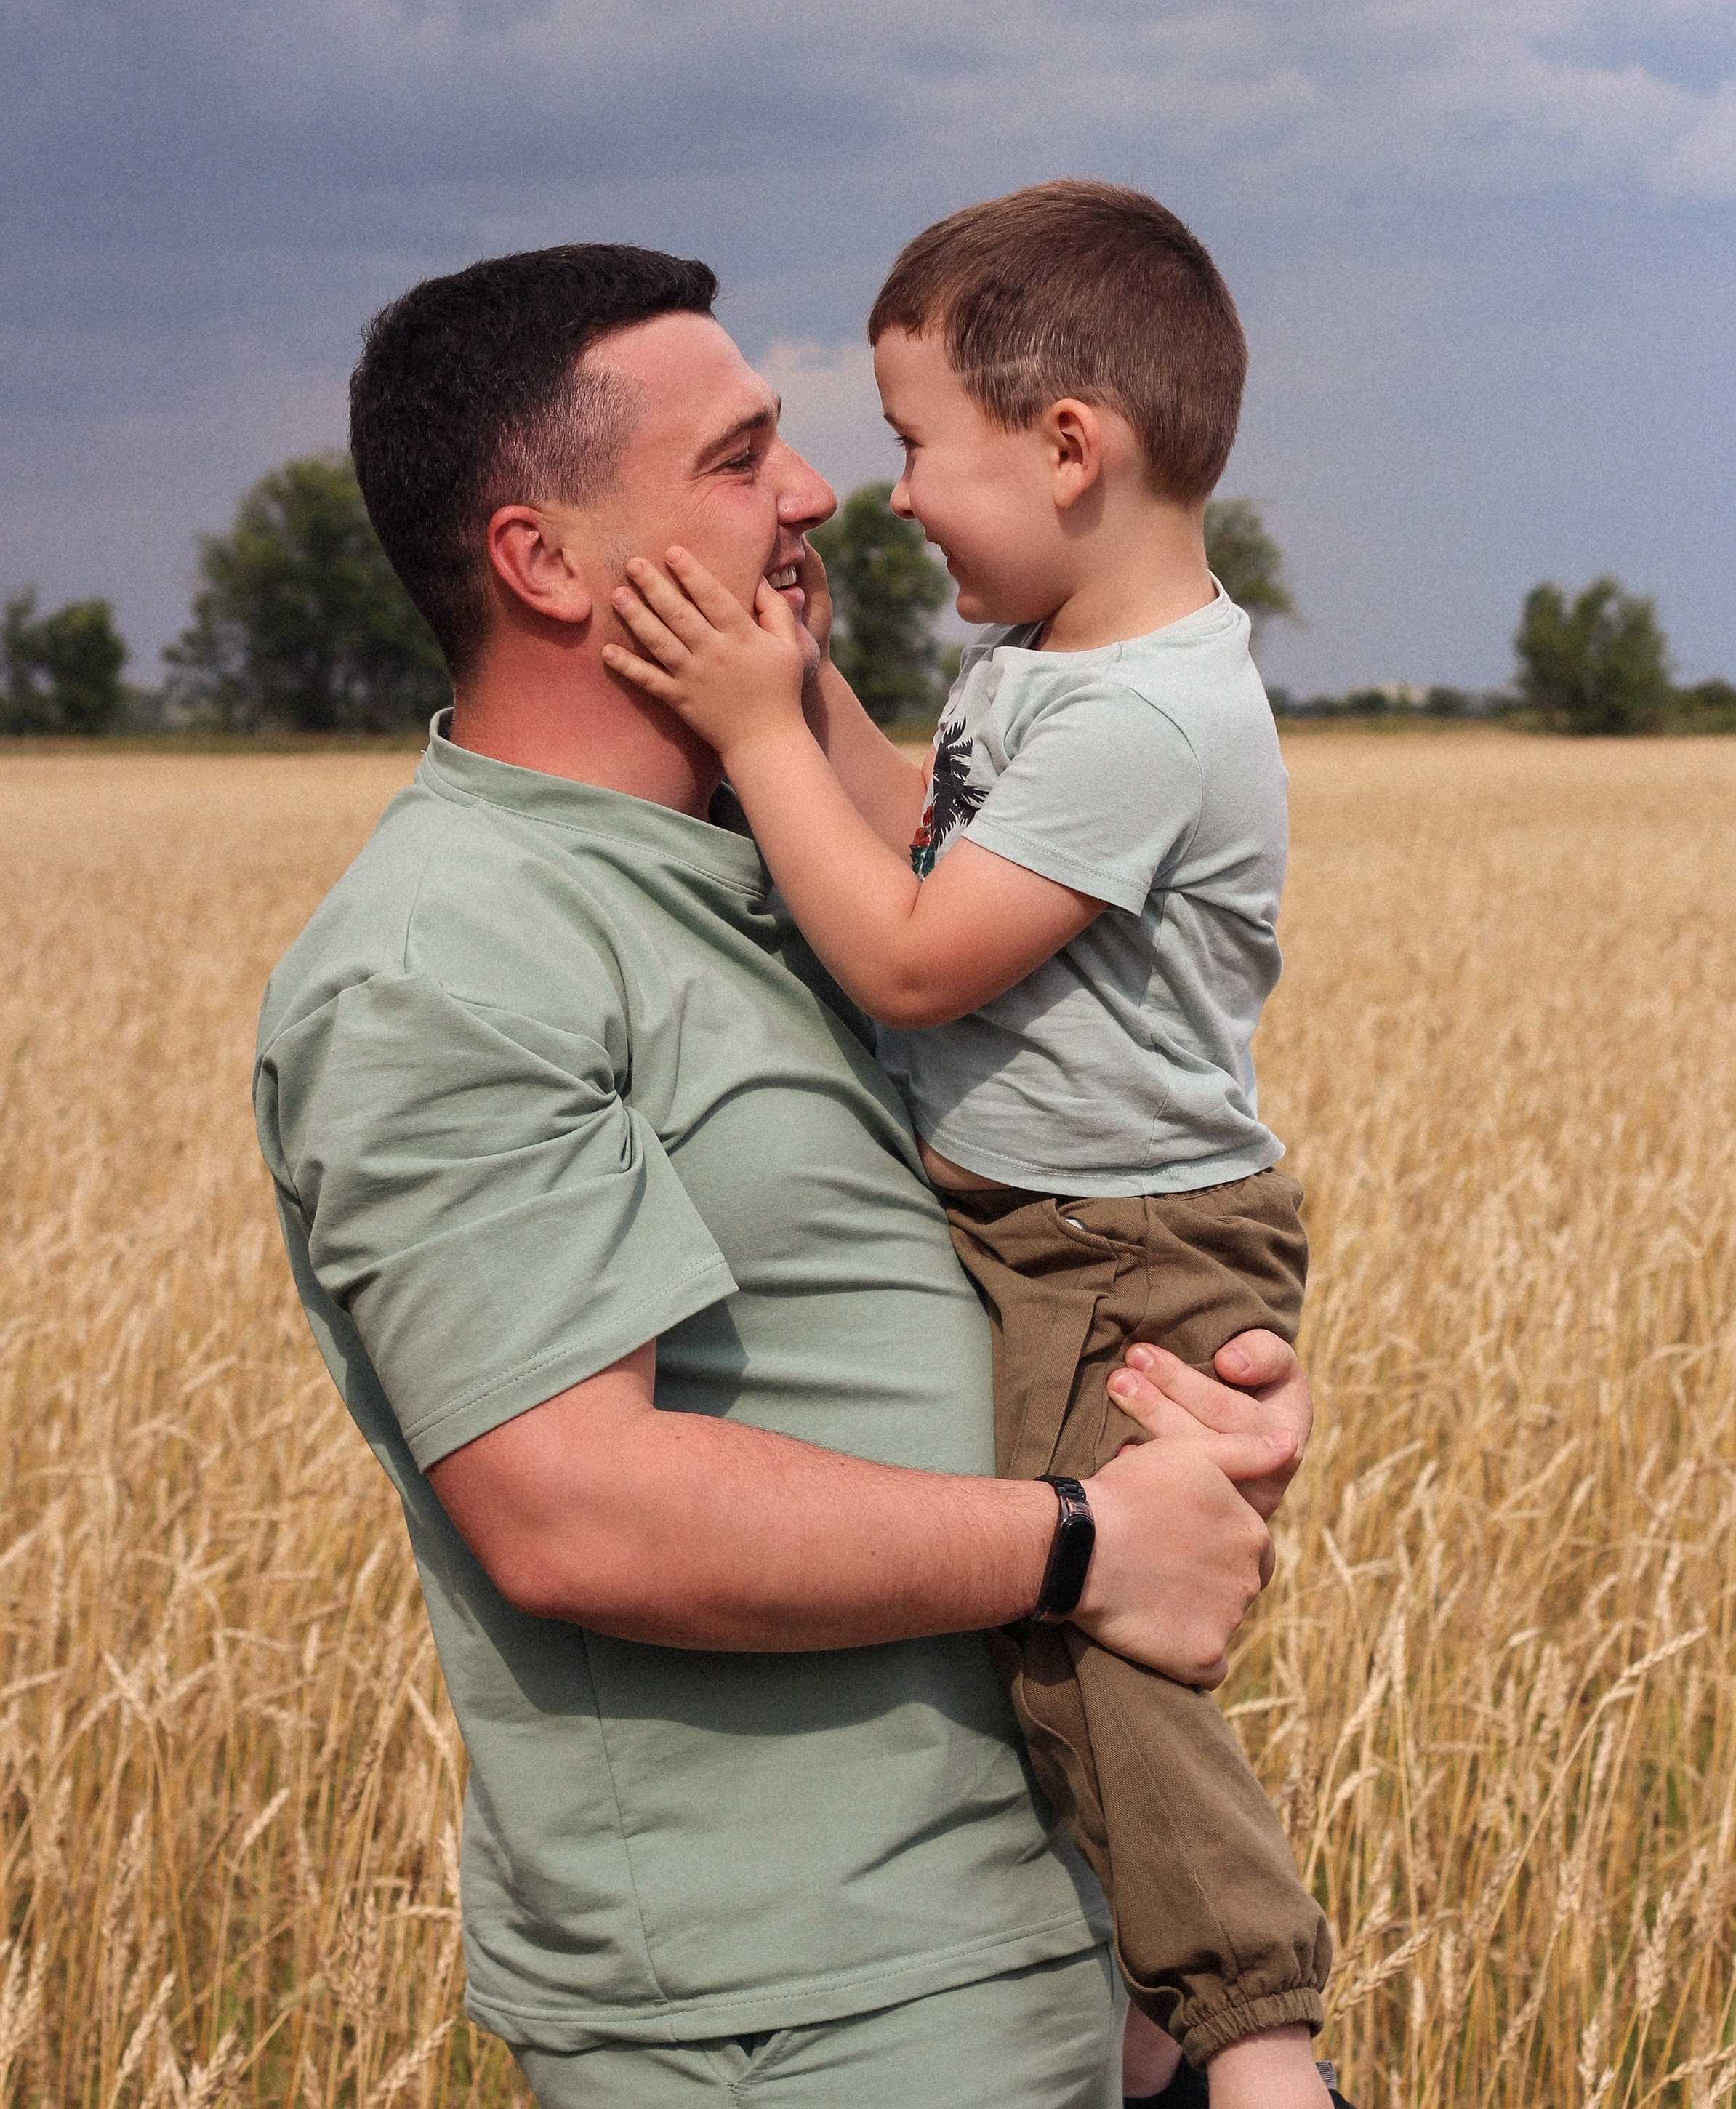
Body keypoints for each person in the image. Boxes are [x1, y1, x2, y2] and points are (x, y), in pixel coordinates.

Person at [252, 240, 1317, 2109]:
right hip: (808, 2015)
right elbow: (578, 1510)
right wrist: (1082, 1541)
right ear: (545, 563)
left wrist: (1179, 1389)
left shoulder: (766, 867)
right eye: (742, 458)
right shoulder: (449, 960)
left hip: (1036, 1949)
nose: (819, 489)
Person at [603, 185, 1338, 2109]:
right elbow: (915, 827)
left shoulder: (1153, 719)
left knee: (1097, 1619)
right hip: (1051, 1222)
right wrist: (805, 684)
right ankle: (1125, 2009)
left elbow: (914, 956)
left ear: (1072, 447)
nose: (893, 492)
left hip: (1128, 1245)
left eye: (925, 441)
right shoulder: (1049, 671)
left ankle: (1254, 2047)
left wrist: (755, 732)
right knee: (1029, 1617)